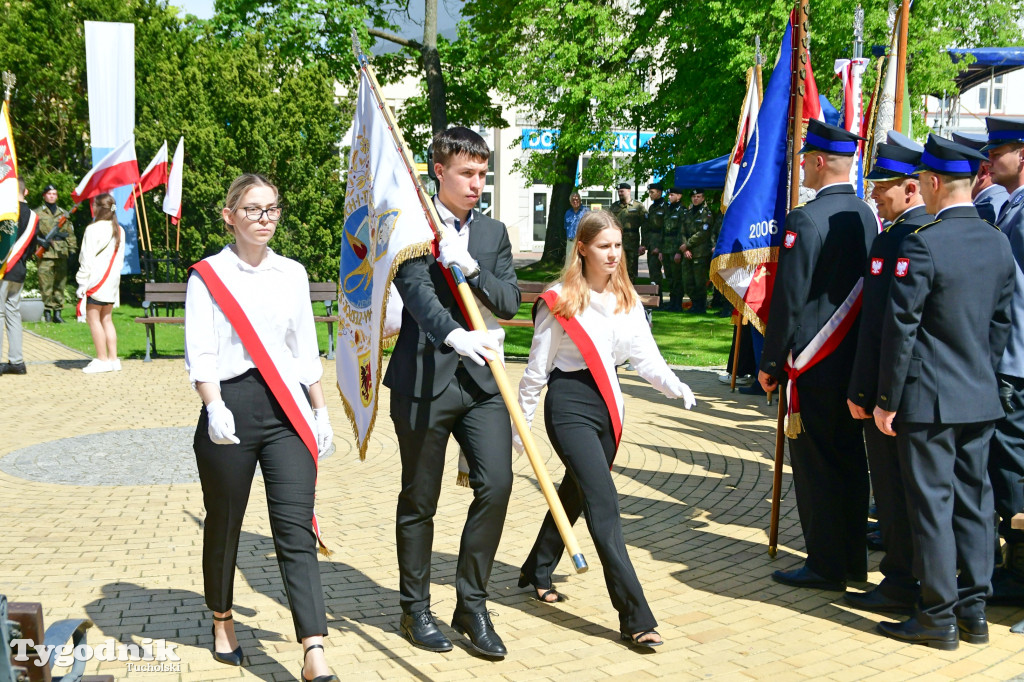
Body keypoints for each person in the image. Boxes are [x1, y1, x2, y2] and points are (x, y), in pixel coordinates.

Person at [514, 209, 696, 649]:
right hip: (568, 405)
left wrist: (675, 385)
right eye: (604, 246)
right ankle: (635, 616)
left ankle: (537, 568)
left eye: (618, 245)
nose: (614, 254)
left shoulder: (625, 298)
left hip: (608, 403)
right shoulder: (560, 299)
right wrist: (521, 430)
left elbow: (644, 357)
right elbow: (536, 372)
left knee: (577, 491)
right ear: (583, 248)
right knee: (604, 503)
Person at [184, 173, 339, 681]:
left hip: (286, 410)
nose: (264, 218)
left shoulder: (291, 273)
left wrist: (318, 409)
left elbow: (302, 347)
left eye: (271, 208)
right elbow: (201, 351)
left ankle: (313, 647)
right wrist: (213, 404)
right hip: (229, 406)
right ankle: (222, 618)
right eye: (252, 209)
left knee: (294, 527)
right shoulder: (208, 276)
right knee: (225, 521)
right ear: (230, 216)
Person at [872, 135, 1015, 649]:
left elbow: (901, 327)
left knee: (931, 506)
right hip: (978, 394)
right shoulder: (996, 240)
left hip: (929, 399)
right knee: (975, 503)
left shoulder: (923, 242)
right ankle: (973, 611)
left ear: (932, 183)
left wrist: (886, 399)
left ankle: (937, 615)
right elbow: (1000, 324)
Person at [385, 127, 520, 659]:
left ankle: (471, 602)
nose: (476, 184)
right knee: (420, 499)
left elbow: (508, 299)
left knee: (498, 484)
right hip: (425, 379)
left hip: (482, 382)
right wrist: (454, 334)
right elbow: (415, 292)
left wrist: (473, 267)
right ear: (438, 171)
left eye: (482, 174)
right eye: (467, 173)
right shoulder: (414, 226)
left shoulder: (492, 233)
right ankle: (414, 607)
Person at [758, 119, 877, 591]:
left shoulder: (804, 220)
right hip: (853, 362)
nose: (802, 166)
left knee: (817, 470)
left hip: (813, 364)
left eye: (806, 158)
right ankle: (852, 560)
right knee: (850, 462)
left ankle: (825, 565)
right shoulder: (866, 214)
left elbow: (790, 300)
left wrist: (770, 364)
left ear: (822, 161)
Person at [845, 138, 931, 616]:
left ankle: (900, 581)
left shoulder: (899, 240)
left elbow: (879, 325)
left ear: (911, 188)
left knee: (896, 496)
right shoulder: (932, 231)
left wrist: (863, 390)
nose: (875, 194)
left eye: (883, 186)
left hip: (892, 393)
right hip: (931, 393)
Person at [981, 116, 1024, 610]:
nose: (992, 158)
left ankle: (1019, 569)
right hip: (1009, 356)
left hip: (1016, 359)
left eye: (1003, 148)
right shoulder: (1012, 207)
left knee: (1012, 468)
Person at [75, 193, 125, 374]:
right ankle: (113, 358)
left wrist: (81, 282)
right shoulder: (119, 229)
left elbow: (86, 260)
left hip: (95, 281)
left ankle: (102, 358)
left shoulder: (93, 229)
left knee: (94, 319)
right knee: (107, 319)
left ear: (98, 208)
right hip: (111, 282)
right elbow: (119, 261)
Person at [0, 178, 33, 375]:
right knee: (13, 313)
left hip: (3, 269)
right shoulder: (34, 216)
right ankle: (17, 361)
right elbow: (31, 248)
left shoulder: (6, 212)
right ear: (26, 191)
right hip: (19, 270)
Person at [34, 184, 76, 323]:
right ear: (44, 195)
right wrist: (40, 241)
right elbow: (30, 232)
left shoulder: (64, 213)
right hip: (45, 253)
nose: (52, 196)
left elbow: (70, 234)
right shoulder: (37, 213)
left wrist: (72, 250)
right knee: (45, 283)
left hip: (60, 252)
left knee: (60, 283)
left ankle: (57, 312)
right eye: (49, 193)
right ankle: (47, 311)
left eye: (54, 194)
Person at [951, 131, 1009, 224]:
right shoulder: (1004, 200)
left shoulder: (984, 212)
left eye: (962, 168)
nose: (953, 176)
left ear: (984, 170)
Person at [680, 189, 716, 314]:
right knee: (687, 281)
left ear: (703, 198)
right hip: (687, 252)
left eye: (698, 196)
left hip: (700, 253)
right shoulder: (688, 213)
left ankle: (700, 306)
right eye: (694, 196)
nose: (695, 198)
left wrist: (687, 244)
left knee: (699, 282)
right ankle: (694, 303)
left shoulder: (707, 214)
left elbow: (703, 233)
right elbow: (682, 231)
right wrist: (685, 248)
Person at [609, 182, 646, 282]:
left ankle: (630, 293)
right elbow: (608, 223)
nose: (620, 193)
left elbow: (645, 226)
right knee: (616, 268)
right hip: (617, 242)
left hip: (632, 242)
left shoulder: (638, 207)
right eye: (618, 192)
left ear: (629, 191)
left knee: (631, 270)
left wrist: (643, 244)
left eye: (622, 191)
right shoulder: (614, 207)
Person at [661, 187, 685, 311]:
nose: (669, 197)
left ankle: (677, 303)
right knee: (669, 277)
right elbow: (663, 230)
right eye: (669, 195)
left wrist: (678, 252)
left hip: (675, 248)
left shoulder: (682, 210)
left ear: (679, 196)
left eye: (672, 195)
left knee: (677, 278)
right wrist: (661, 250)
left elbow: (681, 233)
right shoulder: (668, 210)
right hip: (666, 248)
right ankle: (672, 301)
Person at [642, 183, 668, 299]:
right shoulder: (652, 208)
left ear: (659, 192)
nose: (650, 194)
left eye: (652, 192)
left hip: (663, 245)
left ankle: (674, 302)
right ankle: (657, 299)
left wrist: (660, 247)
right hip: (652, 245)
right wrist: (645, 244)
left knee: (669, 274)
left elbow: (665, 229)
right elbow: (647, 228)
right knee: (654, 273)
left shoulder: (666, 207)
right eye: (650, 192)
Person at [564, 191, 588, 265]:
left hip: (581, 242)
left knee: (581, 263)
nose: (575, 201)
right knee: (569, 264)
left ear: (580, 200)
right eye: (573, 200)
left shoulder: (586, 212)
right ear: (570, 202)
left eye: (577, 199)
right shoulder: (568, 213)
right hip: (570, 242)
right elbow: (565, 227)